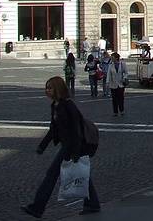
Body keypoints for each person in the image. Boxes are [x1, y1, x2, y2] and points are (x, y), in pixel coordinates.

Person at [22, 77, 100, 218]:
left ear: (58, 89)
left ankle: (37, 207)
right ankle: (93, 204)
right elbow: (53, 129)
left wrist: (75, 152)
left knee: (52, 175)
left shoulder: (68, 105)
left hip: (75, 146)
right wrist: (42, 146)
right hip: (68, 145)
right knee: (81, 174)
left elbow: (76, 130)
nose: (47, 90)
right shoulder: (55, 105)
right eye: (46, 87)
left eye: (50, 88)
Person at [106, 52, 128, 116]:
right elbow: (108, 74)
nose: (111, 59)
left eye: (112, 58)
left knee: (121, 98)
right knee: (114, 99)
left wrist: (124, 77)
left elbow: (126, 73)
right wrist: (107, 82)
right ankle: (115, 112)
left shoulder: (122, 64)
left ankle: (122, 110)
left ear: (116, 58)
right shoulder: (111, 65)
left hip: (121, 84)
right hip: (113, 84)